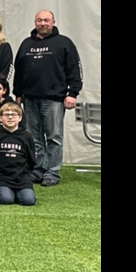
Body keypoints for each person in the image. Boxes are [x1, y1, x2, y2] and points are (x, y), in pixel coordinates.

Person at [13, 10, 82, 187]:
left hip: (54, 99)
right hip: (29, 98)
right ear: (35, 22)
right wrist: (18, 93)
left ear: (53, 22)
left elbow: (74, 69)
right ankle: (38, 169)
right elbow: (19, 71)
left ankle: (52, 172)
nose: (43, 23)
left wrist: (73, 93)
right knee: (34, 137)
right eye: (39, 20)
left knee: (54, 137)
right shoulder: (26, 44)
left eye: (46, 20)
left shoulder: (64, 43)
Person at [0, 102, 38, 206]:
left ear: (20, 118)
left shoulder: (27, 136)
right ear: (1, 118)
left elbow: (31, 159)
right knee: (6, 200)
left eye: (14, 115)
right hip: (1, 176)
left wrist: (26, 173)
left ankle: (17, 193)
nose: (10, 118)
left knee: (28, 201)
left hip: (22, 177)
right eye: (6, 115)